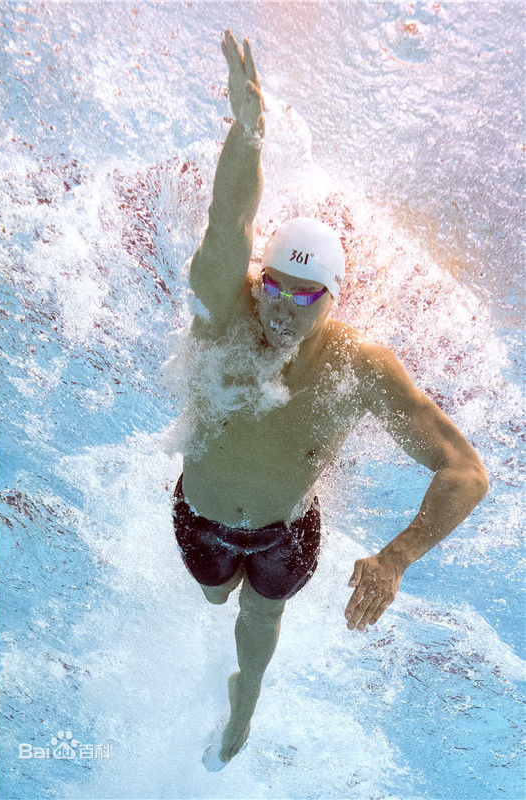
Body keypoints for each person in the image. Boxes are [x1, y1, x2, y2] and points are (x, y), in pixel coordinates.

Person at [171, 29, 489, 770]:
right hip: (203, 517)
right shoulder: (223, 311)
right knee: (216, 600)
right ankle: (225, 636)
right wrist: (248, 133)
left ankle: (238, 721)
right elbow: (227, 224)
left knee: (259, 622)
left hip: (285, 533)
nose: (280, 303)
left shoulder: (360, 363)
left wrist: (396, 558)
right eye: (272, 281)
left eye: (304, 292)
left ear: (333, 299)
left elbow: (464, 470)